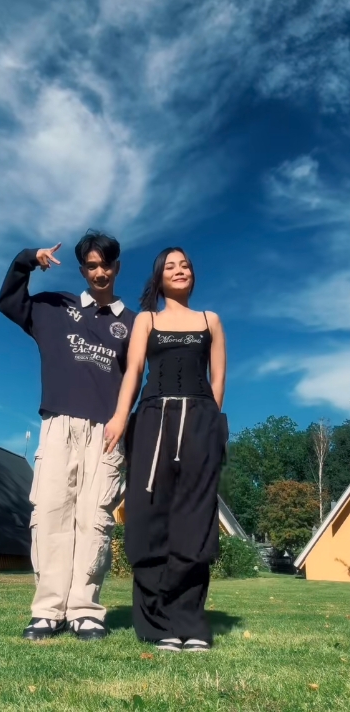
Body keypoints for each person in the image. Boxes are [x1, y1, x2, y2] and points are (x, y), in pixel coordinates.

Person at [0, 230, 135, 641]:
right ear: (82, 270)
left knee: (95, 519)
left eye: (106, 264)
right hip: (58, 424)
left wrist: (124, 420)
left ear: (117, 267)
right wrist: (27, 260)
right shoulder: (55, 306)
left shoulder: (132, 323)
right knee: (51, 513)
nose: (99, 272)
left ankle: (85, 611)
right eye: (92, 265)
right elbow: (9, 301)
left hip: (107, 431)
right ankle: (48, 611)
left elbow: (137, 377)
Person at [104, 247, 226, 652]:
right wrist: (120, 417)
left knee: (195, 521)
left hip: (199, 421)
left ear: (192, 275)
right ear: (159, 278)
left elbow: (217, 380)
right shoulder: (147, 320)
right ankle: (158, 624)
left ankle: (189, 620)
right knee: (148, 518)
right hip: (153, 420)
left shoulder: (210, 320)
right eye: (170, 266)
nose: (179, 270)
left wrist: (210, 426)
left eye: (185, 265)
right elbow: (134, 371)